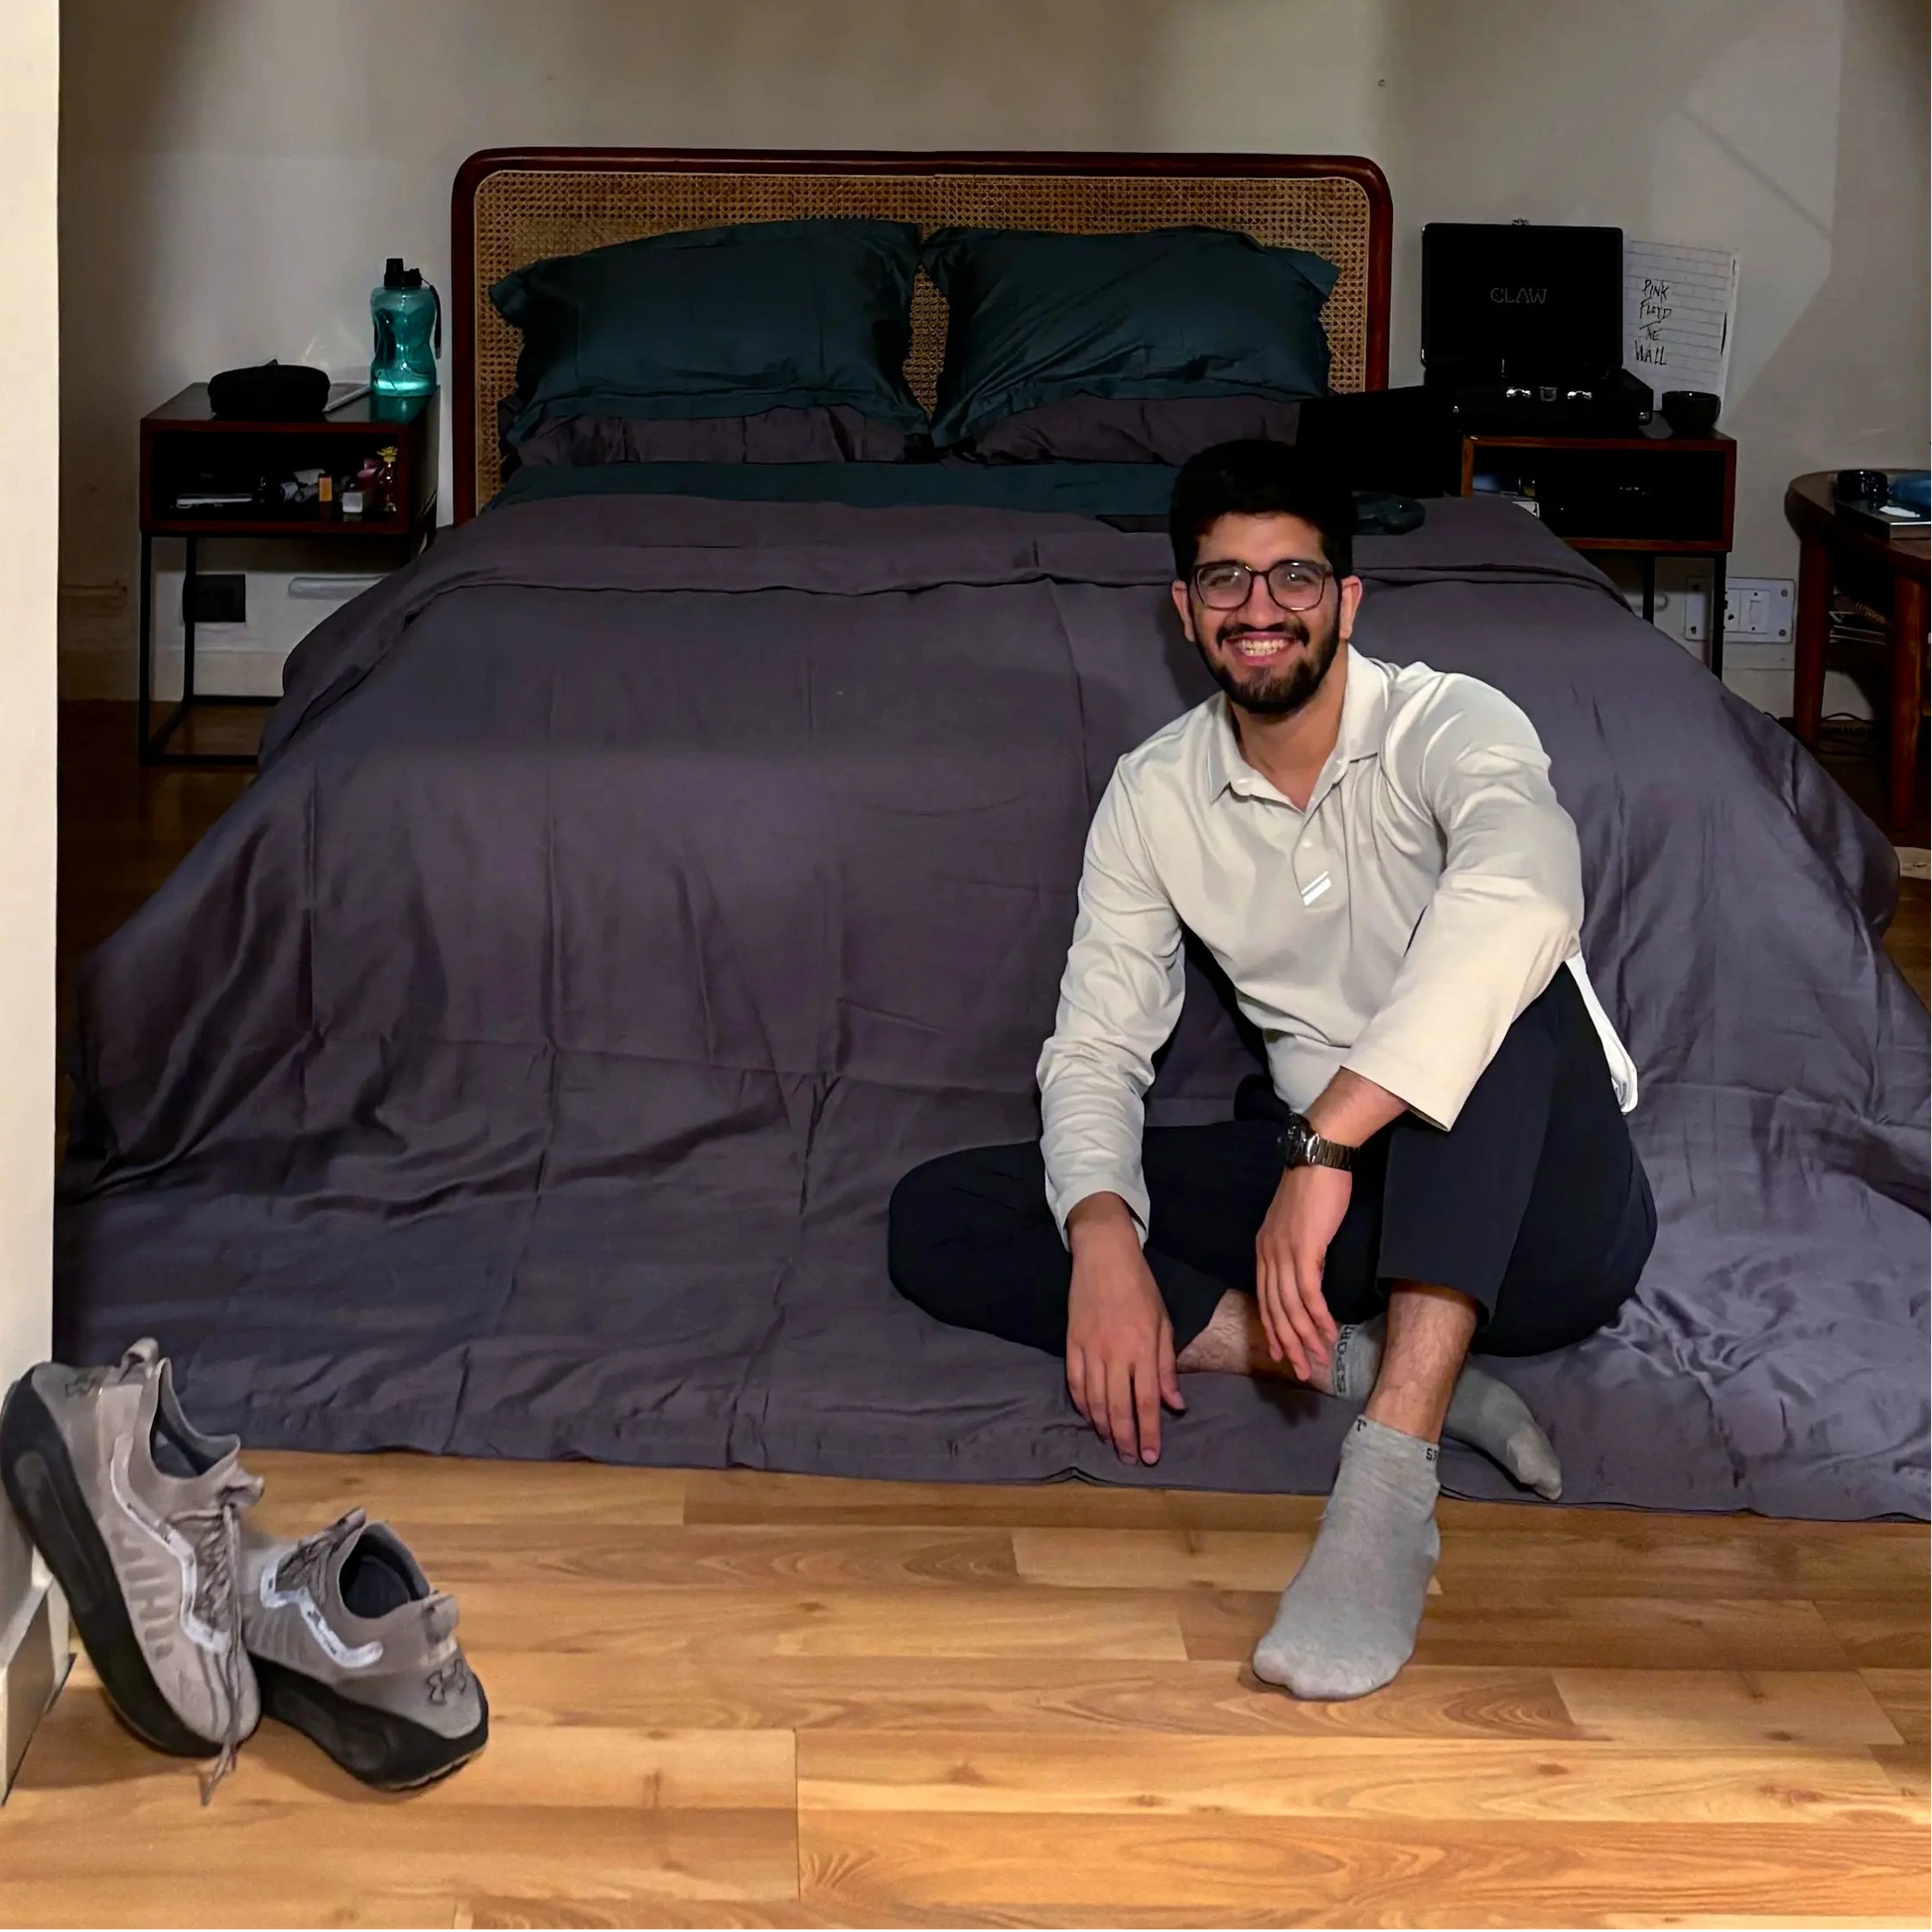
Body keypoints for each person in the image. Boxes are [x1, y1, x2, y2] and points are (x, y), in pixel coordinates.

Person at [889, 439, 1655, 1702]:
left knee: (1497, 989)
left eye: (1293, 576)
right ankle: (1375, 1363)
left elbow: (1522, 895)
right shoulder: (1154, 792)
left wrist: (1327, 1142)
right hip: (1337, 1209)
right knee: (949, 1213)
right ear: (1182, 609)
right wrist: (1101, 1236)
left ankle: (1384, 1482)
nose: (1259, 609)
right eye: (1225, 581)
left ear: (1346, 600)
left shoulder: (1450, 720)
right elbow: (1093, 1040)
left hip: (1540, 1222)